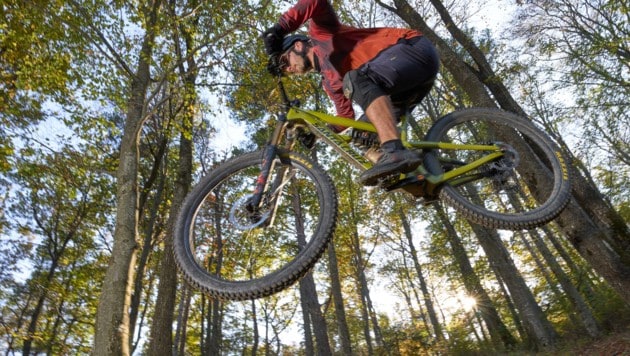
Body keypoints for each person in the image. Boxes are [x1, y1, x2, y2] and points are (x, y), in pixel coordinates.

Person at [263, 0, 440, 186]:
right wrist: (317, 132)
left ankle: (395, 152)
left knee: (355, 79)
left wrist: (279, 29)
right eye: (285, 70)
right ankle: (423, 177)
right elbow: (345, 116)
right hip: (408, 84)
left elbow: (317, 2)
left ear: (298, 46)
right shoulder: (330, 83)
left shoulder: (321, 34)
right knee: (361, 133)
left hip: (412, 48)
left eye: (285, 61)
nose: (289, 69)